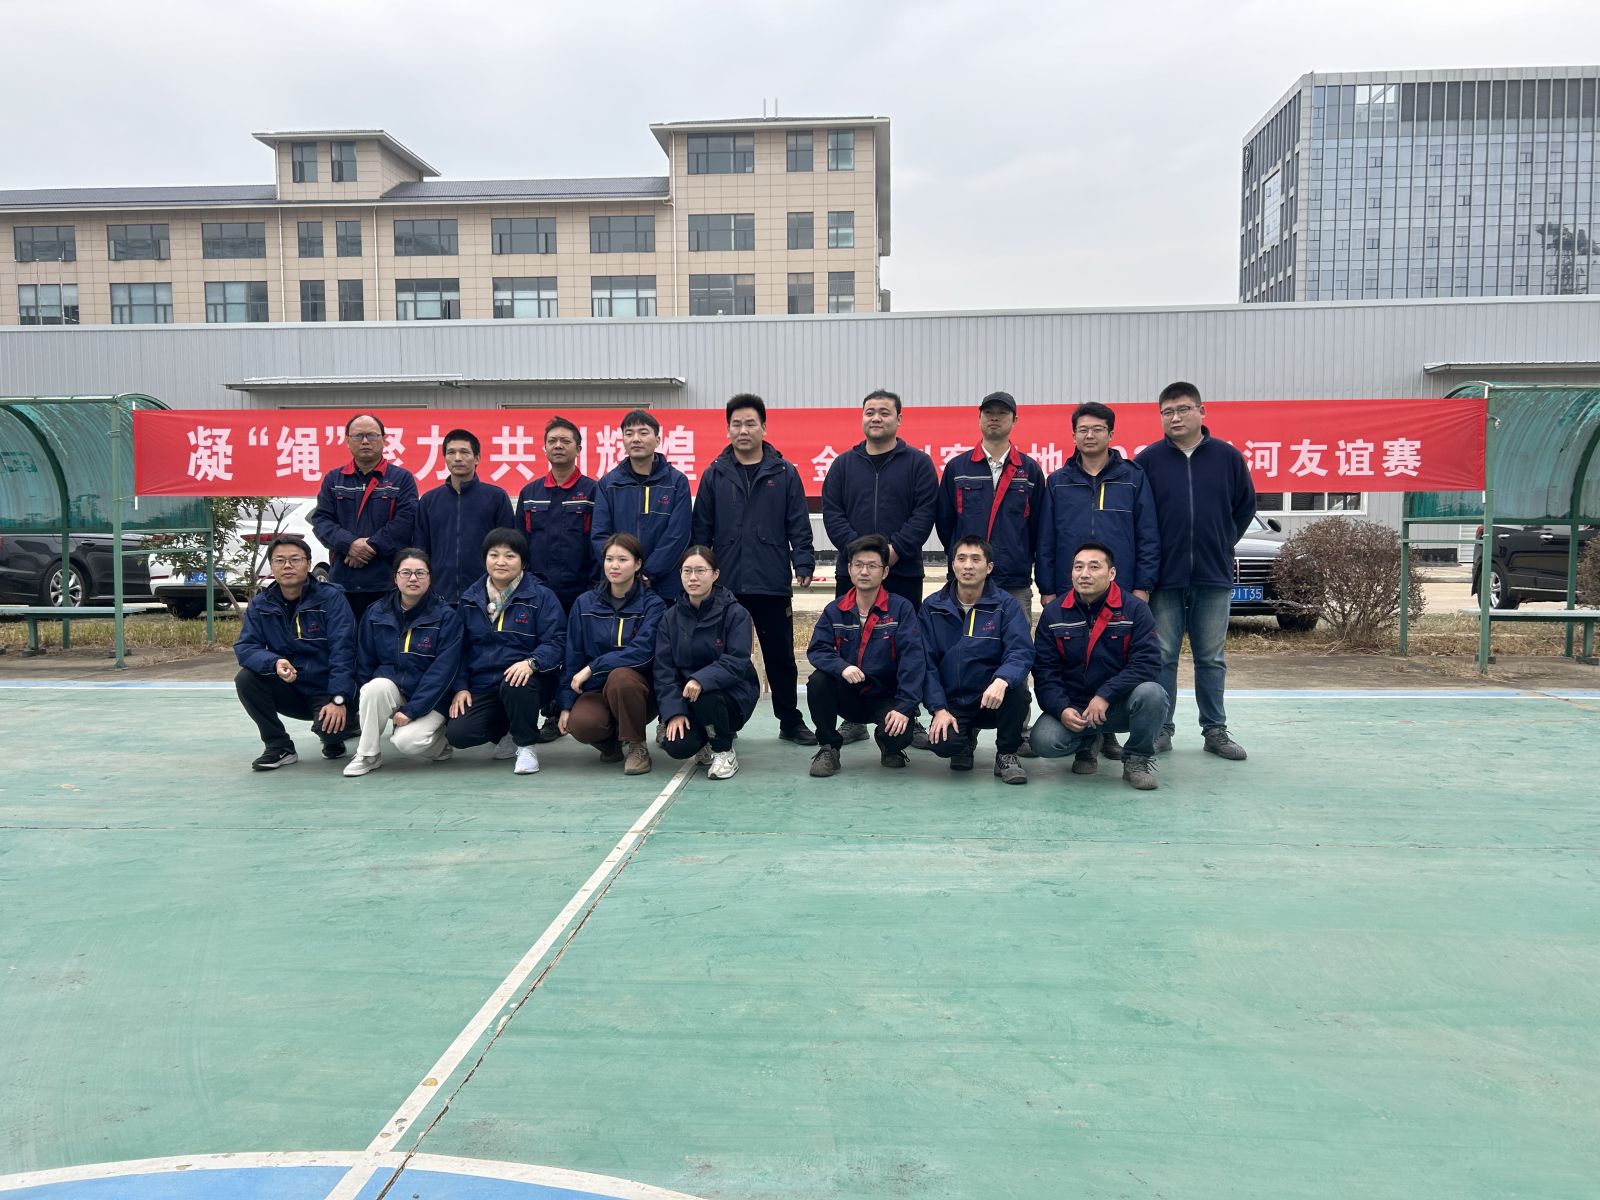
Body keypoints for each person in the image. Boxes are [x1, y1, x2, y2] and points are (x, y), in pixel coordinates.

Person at [1134, 382, 1255, 760]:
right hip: (1164, 578)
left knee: (1211, 657)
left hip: (1213, 575)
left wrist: (1221, 542)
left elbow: (1244, 507)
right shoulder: (1148, 461)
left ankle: (1214, 730)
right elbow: (1140, 517)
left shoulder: (1227, 457)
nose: (1175, 417)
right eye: (1167, 412)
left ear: (1202, 412)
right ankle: (1161, 729)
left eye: (1183, 409)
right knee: (1162, 656)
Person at [1037, 400, 1160, 770]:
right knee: (1076, 659)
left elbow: (1148, 534)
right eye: (1083, 430)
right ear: (1073, 435)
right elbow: (1045, 539)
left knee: (1116, 656)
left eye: (1097, 429)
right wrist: (1047, 587)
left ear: (1111, 433)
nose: (1089, 436)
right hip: (1069, 590)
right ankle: (1086, 741)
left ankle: (1113, 735)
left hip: (1121, 590)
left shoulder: (1132, 477)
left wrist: (1143, 586)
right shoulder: (1058, 481)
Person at [692, 393, 818, 746]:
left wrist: (803, 560)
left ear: (764, 427)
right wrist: (698, 572)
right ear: (728, 429)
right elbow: (701, 529)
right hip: (726, 582)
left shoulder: (784, 472)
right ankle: (722, 720)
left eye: (750, 423)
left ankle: (789, 721)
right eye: (736, 424)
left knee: (780, 657)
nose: (743, 430)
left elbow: (798, 522)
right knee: (720, 654)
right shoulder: (715, 474)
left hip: (770, 580)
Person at [821, 388, 938, 746]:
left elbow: (924, 512)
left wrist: (894, 551)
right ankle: (853, 717)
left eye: (884, 412)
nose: (876, 418)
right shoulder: (843, 465)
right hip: (853, 574)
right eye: (869, 411)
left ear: (899, 419)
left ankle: (908, 712)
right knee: (850, 644)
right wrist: (860, 556)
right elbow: (832, 512)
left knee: (904, 647)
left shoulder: (918, 464)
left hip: (902, 572)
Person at [1029, 541, 1166, 790]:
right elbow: (1045, 672)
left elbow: (1146, 663)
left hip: (1118, 704)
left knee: (1153, 694)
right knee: (1043, 742)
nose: (1084, 574)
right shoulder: (1054, 614)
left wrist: (1105, 695)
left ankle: (1136, 759)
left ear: (1111, 573)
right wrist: (1062, 709)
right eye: (1078, 567)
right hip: (1076, 706)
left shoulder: (1135, 610)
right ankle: (1088, 741)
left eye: (1094, 567)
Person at [446, 528, 566, 775]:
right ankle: (508, 728)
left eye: (510, 556)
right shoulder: (470, 599)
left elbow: (557, 641)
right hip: (483, 683)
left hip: (529, 680)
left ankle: (526, 746)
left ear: (523, 561)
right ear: (485, 559)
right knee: (459, 734)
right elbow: (458, 649)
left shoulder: (541, 596)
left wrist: (532, 662)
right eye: (494, 555)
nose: (500, 562)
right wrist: (461, 687)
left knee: (515, 684)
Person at [804, 534, 927, 777]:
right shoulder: (835, 610)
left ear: (885, 572)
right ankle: (829, 747)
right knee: (818, 681)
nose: (864, 571)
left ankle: (889, 745)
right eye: (858, 565)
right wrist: (842, 667)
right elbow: (818, 649)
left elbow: (913, 661)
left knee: (900, 736)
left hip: (885, 696)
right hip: (848, 695)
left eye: (872, 566)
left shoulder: (901, 609)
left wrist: (904, 707)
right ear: (849, 569)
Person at [233, 534, 357, 770]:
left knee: (331, 733)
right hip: (291, 688)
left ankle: (343, 729)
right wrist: (274, 662)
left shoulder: (331, 598)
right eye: (280, 560)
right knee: (246, 679)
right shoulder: (261, 604)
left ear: (308, 564)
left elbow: (344, 650)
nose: (287, 566)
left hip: (326, 688)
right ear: (272, 566)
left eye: (295, 559)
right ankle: (279, 746)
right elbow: (246, 647)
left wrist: (339, 698)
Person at [919, 536, 1034, 784]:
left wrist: (1002, 680)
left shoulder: (1006, 605)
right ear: (953, 565)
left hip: (992, 699)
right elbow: (925, 663)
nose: (968, 566)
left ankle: (1007, 754)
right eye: (961, 559)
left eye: (975, 559)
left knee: (1017, 692)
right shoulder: (932, 607)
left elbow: (1021, 651)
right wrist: (939, 709)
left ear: (989, 567)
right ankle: (964, 741)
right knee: (944, 745)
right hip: (954, 701)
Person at [344, 548, 463, 776]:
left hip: (431, 698)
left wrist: (412, 710)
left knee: (407, 742)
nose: (413, 578)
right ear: (396, 577)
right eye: (406, 572)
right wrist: (368, 702)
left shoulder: (446, 616)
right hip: (393, 690)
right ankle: (368, 754)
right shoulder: (375, 613)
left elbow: (443, 672)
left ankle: (440, 744)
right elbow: (365, 663)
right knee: (374, 688)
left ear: (430, 577)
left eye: (420, 573)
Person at [518, 416, 601, 743]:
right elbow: (519, 545)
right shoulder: (530, 493)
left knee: (577, 653)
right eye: (552, 441)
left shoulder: (593, 491)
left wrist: (594, 588)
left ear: (579, 448)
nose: (558, 446)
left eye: (566, 441)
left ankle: (576, 710)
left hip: (581, 592)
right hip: (540, 594)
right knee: (544, 652)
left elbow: (599, 543)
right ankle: (551, 713)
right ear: (544, 448)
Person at [559, 532, 666, 776]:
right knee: (581, 724)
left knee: (621, 677)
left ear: (637, 565)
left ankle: (637, 746)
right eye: (609, 559)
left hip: (638, 691)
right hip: (596, 689)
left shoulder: (653, 604)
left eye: (622, 559)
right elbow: (573, 655)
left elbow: (642, 652)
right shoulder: (585, 603)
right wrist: (566, 704)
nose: (614, 566)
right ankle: (612, 746)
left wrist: (593, 667)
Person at [654, 546, 760, 779]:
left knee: (706, 695)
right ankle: (706, 740)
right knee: (678, 746)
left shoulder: (735, 613)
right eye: (687, 571)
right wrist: (674, 712)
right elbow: (664, 670)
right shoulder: (669, 618)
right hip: (688, 697)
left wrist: (700, 679)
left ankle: (723, 750)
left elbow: (736, 660)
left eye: (700, 571)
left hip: (732, 694)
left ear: (715, 574)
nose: (693, 578)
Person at [311, 413, 419, 621]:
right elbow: (321, 520)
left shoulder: (402, 478)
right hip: (343, 582)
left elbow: (406, 521)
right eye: (358, 436)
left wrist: (369, 547)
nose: (365, 441)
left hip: (388, 582)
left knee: (385, 638)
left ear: (384, 440)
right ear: (347, 441)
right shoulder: (334, 479)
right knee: (345, 637)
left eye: (371, 435)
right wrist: (350, 544)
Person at [591, 409, 693, 605]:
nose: (635, 439)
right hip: (619, 585)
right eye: (629, 434)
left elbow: (678, 535)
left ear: (658, 440)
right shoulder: (608, 484)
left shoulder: (676, 482)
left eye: (643, 432)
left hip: (664, 586)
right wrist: (624, 569)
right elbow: (600, 534)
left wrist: (648, 572)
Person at [413, 428, 514, 604]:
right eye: (451, 452)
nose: (457, 458)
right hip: (439, 597)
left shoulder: (496, 498)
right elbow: (420, 551)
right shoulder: (429, 500)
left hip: (486, 596)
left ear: (477, 458)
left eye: (464, 452)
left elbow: (508, 548)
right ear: (445, 458)